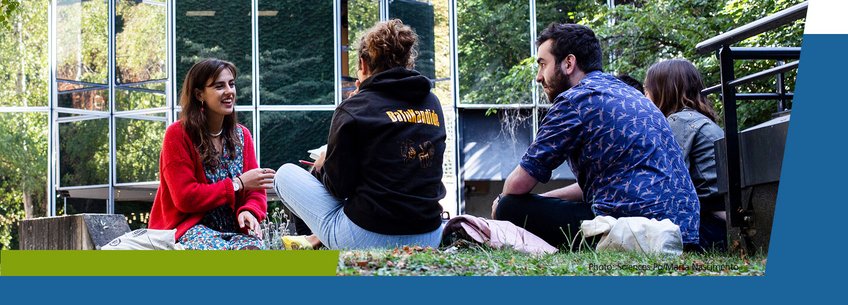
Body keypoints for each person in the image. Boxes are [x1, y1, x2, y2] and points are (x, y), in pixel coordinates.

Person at [491, 23, 701, 250]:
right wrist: (545, 200)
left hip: (631, 228)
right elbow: (603, 185)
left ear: (568, 63)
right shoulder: (631, 94)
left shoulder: (575, 100)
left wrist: (501, 203)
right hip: (684, 232)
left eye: (543, 65)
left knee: (508, 206)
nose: (539, 77)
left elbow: (517, 185)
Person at [273, 20, 446, 250]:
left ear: (363, 64)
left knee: (284, 174)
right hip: (429, 234)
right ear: (407, 61)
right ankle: (314, 240)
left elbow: (339, 189)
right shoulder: (432, 102)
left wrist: (324, 165)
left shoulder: (354, 108)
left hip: (370, 236)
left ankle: (312, 241)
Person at [148, 58, 276, 250]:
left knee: (256, 251)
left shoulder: (242, 135)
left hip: (234, 231)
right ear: (199, 94)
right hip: (187, 229)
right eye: (219, 86)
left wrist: (250, 211)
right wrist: (237, 184)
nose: (229, 91)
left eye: (231, 84)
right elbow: (185, 198)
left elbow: (255, 190)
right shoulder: (178, 134)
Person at [644, 58, 727, 251]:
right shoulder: (698, 120)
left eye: (647, 90)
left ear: (663, 90)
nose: (644, 98)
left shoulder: (678, 122)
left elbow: (664, 182)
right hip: (723, 220)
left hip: (712, 226)